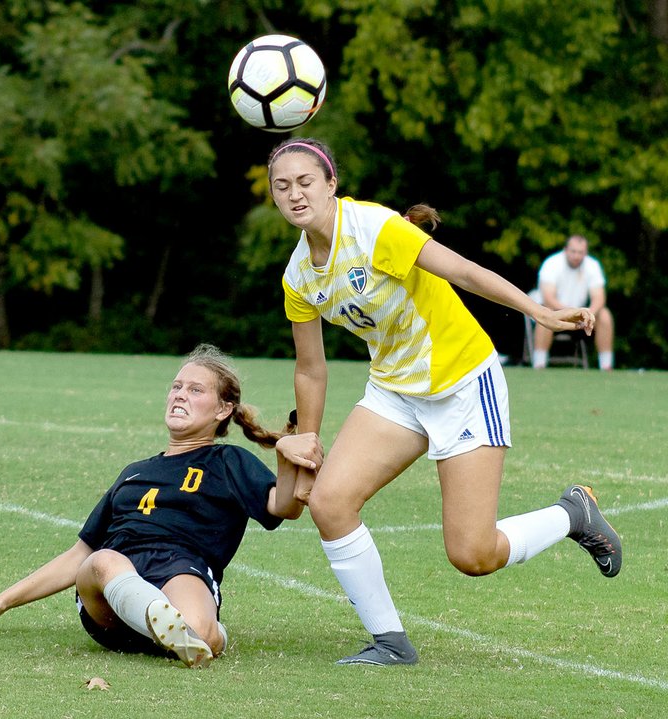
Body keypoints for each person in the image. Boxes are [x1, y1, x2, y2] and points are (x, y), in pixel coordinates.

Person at [266, 137, 622, 667]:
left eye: (305, 181)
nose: (295, 194)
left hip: (462, 383)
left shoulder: (373, 228)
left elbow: (462, 271)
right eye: (282, 185)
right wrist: (310, 439)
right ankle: (390, 642)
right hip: (394, 390)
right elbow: (310, 368)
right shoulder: (298, 274)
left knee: (472, 555)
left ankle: (573, 513)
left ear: (331, 183)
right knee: (330, 503)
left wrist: (538, 313)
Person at [0, 344, 323, 668]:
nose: (180, 395)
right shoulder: (135, 473)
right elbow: (79, 555)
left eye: (195, 390)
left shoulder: (228, 462)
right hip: (112, 587)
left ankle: (186, 629)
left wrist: (286, 456)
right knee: (102, 561)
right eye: (176, 387)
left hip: (181, 566)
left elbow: (284, 507)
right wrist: (1, 602)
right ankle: (159, 619)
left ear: (223, 409)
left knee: (201, 635)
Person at [532, 234, 615, 370]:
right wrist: (569, 313)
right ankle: (539, 365)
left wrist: (589, 314)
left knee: (604, 315)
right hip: (554, 312)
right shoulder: (552, 263)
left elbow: (599, 297)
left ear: (585, 252)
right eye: (573, 251)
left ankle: (606, 366)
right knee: (546, 312)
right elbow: (548, 297)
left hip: (580, 316)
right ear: (566, 250)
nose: (577, 256)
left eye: (580, 252)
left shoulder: (592, 265)